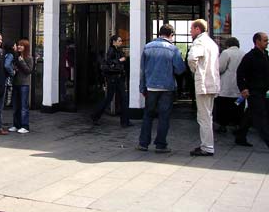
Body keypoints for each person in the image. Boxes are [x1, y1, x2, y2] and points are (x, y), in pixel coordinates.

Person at [137, 24, 186, 153]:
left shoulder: (147, 47)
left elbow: (142, 70)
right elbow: (180, 69)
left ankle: (143, 143)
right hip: (167, 87)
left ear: (160, 33)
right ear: (171, 35)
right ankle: (160, 145)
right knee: (164, 117)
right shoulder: (173, 49)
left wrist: (142, 87)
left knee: (148, 115)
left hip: (151, 86)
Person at [187, 19, 220, 156]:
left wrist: (195, 71)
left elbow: (191, 58)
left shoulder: (199, 42)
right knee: (208, 115)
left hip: (203, 84)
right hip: (213, 83)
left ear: (197, 29)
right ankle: (207, 145)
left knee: (204, 117)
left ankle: (207, 147)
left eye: (191, 29)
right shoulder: (212, 43)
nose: (190, 32)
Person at [235, 32, 269, 151]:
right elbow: (240, 73)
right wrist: (243, 88)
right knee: (261, 119)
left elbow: (268, 72)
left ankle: (240, 136)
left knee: (250, 114)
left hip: (261, 91)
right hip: (254, 91)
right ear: (257, 41)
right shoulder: (250, 56)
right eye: (265, 40)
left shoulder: (264, 55)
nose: (267, 42)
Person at [91, 35, 132, 127]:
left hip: (117, 78)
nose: (121, 42)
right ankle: (95, 116)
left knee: (120, 98)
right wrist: (120, 60)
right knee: (116, 98)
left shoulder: (117, 50)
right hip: (114, 78)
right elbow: (109, 63)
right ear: (114, 42)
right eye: (119, 41)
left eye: (121, 41)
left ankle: (125, 121)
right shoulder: (111, 51)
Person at [216, 37, 245, 134]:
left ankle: (223, 125)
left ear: (228, 44)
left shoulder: (226, 53)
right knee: (237, 106)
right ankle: (237, 125)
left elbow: (220, 68)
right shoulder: (243, 53)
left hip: (227, 86)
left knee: (224, 107)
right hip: (239, 87)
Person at [9, 39, 34, 134]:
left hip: (24, 84)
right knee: (16, 106)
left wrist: (22, 61)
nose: (19, 46)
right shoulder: (16, 57)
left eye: (21, 45)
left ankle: (25, 126)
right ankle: (16, 125)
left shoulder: (29, 57)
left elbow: (29, 71)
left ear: (26, 47)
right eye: (18, 45)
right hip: (16, 83)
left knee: (24, 106)